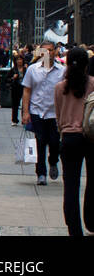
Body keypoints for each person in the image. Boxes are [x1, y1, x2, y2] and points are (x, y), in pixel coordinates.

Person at [54, 45, 94, 236]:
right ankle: (92, 221)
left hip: (69, 138)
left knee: (71, 186)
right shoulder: (93, 84)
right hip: (91, 137)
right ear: (87, 64)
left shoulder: (60, 87)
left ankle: (74, 230)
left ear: (67, 64)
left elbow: (58, 115)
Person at [22, 41, 66, 186]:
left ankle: (53, 161)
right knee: (39, 142)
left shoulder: (62, 71)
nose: (49, 53)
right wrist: (25, 112)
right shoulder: (32, 70)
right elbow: (27, 91)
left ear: (55, 52)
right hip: (37, 112)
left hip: (55, 113)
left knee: (54, 142)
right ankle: (41, 173)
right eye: (45, 50)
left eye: (51, 50)